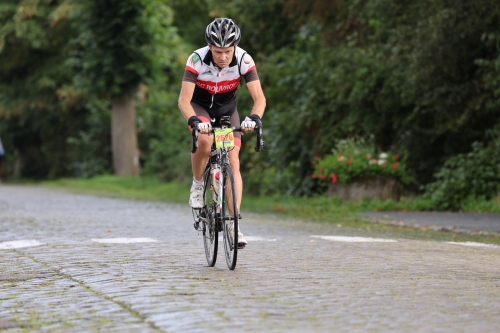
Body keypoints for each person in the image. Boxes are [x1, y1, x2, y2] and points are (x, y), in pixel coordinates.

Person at [178, 18, 266, 248]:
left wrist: (254, 118)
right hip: (200, 109)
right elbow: (183, 101)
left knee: (233, 161)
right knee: (205, 141)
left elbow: (259, 99)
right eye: (218, 51)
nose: (223, 57)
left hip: (227, 112)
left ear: (234, 48)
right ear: (209, 47)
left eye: (227, 51)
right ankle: (198, 184)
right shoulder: (196, 59)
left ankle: (234, 224)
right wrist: (195, 121)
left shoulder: (244, 59)